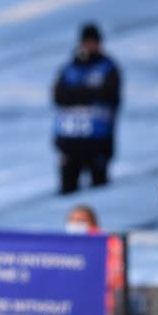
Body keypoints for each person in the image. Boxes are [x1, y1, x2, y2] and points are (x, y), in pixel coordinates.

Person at [53, 23, 121, 194]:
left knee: (100, 188)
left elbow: (111, 97)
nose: (90, 46)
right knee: (67, 189)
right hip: (69, 140)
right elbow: (59, 97)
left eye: (94, 42)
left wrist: (77, 93)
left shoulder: (108, 67)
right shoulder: (69, 68)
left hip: (98, 141)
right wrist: (91, 93)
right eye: (87, 42)